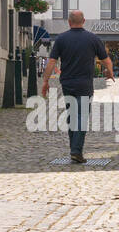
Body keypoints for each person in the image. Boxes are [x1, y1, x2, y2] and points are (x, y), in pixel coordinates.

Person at [40, 10, 113, 164]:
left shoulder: (61, 39)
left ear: (69, 22)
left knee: (72, 116)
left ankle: (74, 149)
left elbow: (51, 62)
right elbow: (106, 60)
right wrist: (110, 72)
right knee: (82, 117)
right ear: (84, 21)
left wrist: (45, 82)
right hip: (85, 84)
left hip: (67, 83)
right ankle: (76, 151)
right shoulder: (93, 39)